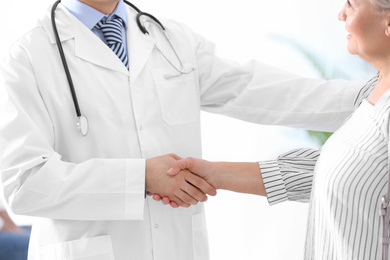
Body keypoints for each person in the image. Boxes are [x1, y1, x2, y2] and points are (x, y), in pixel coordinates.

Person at [0, 0, 362, 259]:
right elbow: (24, 183)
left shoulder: (169, 38)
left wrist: (373, 98)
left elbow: (261, 89)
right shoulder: (29, 54)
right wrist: (140, 177)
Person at [161, 0, 390, 258]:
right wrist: (215, 174)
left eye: (351, 4)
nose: (340, 14)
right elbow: (344, 168)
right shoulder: (373, 93)